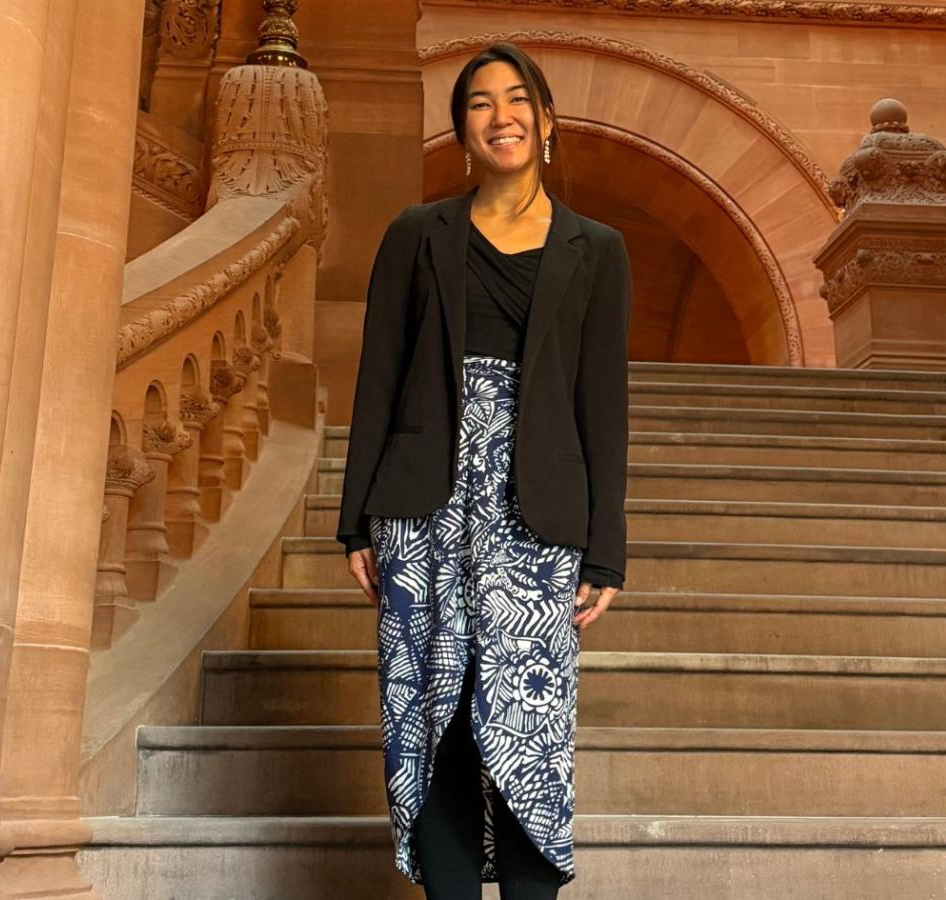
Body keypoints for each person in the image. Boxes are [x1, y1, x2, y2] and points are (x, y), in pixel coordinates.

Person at [335, 41, 632, 900]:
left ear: (546, 122)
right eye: (478, 103)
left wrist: (604, 549)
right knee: (441, 720)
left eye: (516, 100)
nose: (499, 116)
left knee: (530, 728)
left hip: (537, 512)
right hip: (422, 503)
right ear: (462, 130)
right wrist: (358, 518)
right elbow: (379, 376)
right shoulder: (415, 234)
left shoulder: (597, 249)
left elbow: (602, 403)